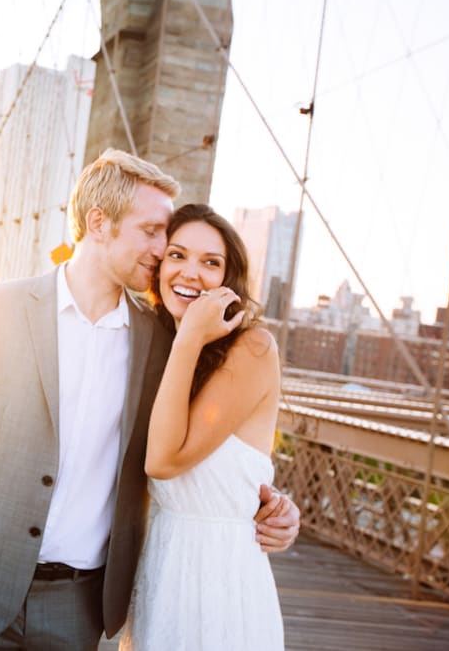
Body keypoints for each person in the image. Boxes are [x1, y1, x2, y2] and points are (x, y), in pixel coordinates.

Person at [0, 149, 300, 651]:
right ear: (98, 223)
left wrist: (271, 505)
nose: (162, 248)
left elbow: (202, 441)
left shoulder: (165, 342)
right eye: (151, 231)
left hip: (80, 606)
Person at [122, 203, 285, 649]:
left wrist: (192, 334)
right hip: (164, 566)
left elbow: (164, 460)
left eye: (210, 263)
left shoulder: (253, 347)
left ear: (229, 281)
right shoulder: (157, 347)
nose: (190, 273)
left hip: (221, 578)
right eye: (176, 256)